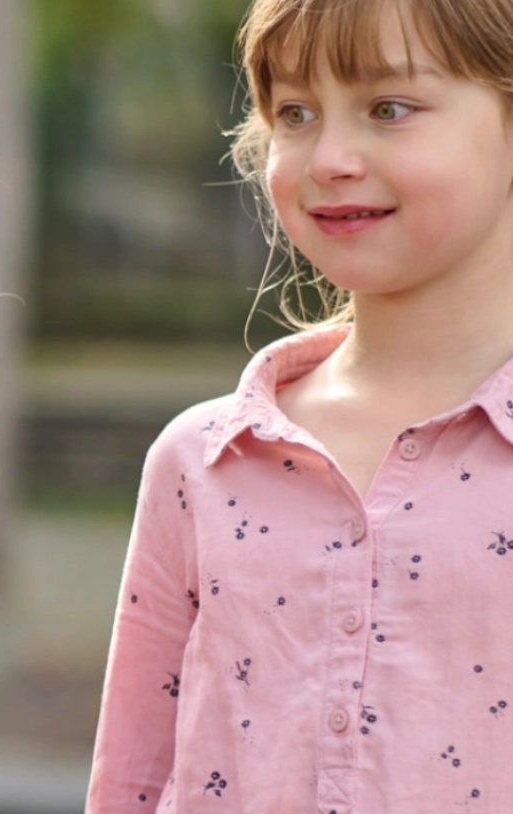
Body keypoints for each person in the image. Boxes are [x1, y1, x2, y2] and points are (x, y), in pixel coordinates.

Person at [88, 0, 513, 809]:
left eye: (390, 108)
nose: (331, 157)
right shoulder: (201, 460)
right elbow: (130, 784)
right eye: (295, 113)